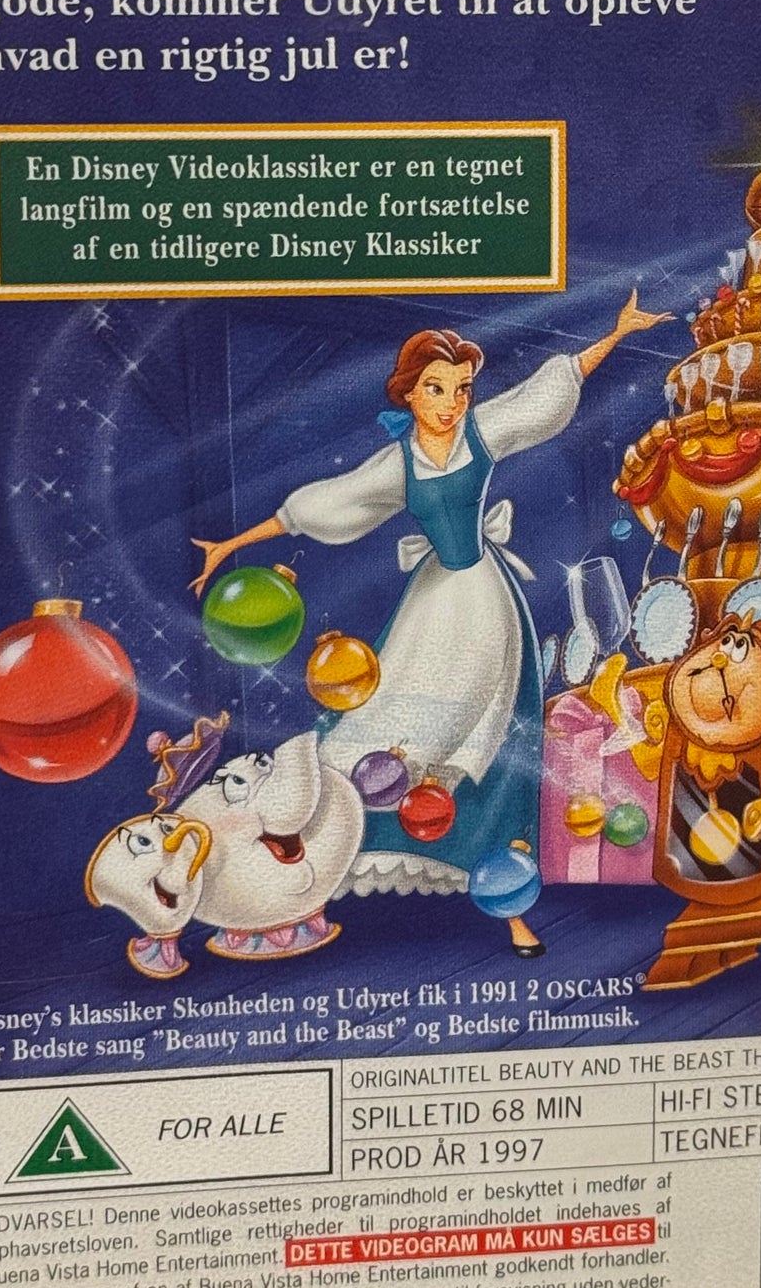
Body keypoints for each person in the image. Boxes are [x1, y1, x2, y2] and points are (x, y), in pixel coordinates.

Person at [192, 291, 669, 952]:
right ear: (409, 394)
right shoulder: (398, 463)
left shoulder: (483, 432)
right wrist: (230, 546)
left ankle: (509, 900)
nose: (451, 402)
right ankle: (308, 883)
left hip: (484, 601)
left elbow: (545, 394)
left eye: (462, 389)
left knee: (482, 728)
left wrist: (615, 334)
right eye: (437, 389)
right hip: (432, 601)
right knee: (379, 720)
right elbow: (326, 505)